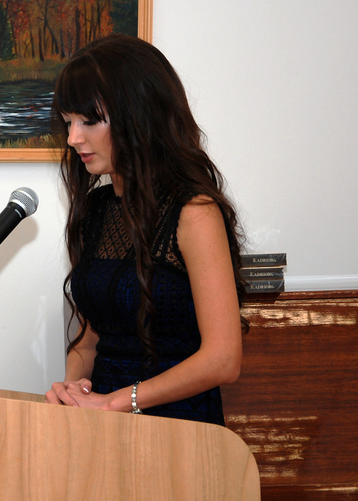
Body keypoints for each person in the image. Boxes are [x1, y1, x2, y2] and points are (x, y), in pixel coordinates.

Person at [45, 34, 248, 426]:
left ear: (139, 115)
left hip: (179, 429)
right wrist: (72, 391)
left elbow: (223, 360)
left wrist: (117, 403)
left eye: (89, 121)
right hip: (104, 426)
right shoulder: (96, 211)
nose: (73, 138)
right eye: (69, 122)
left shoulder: (194, 213)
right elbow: (89, 341)